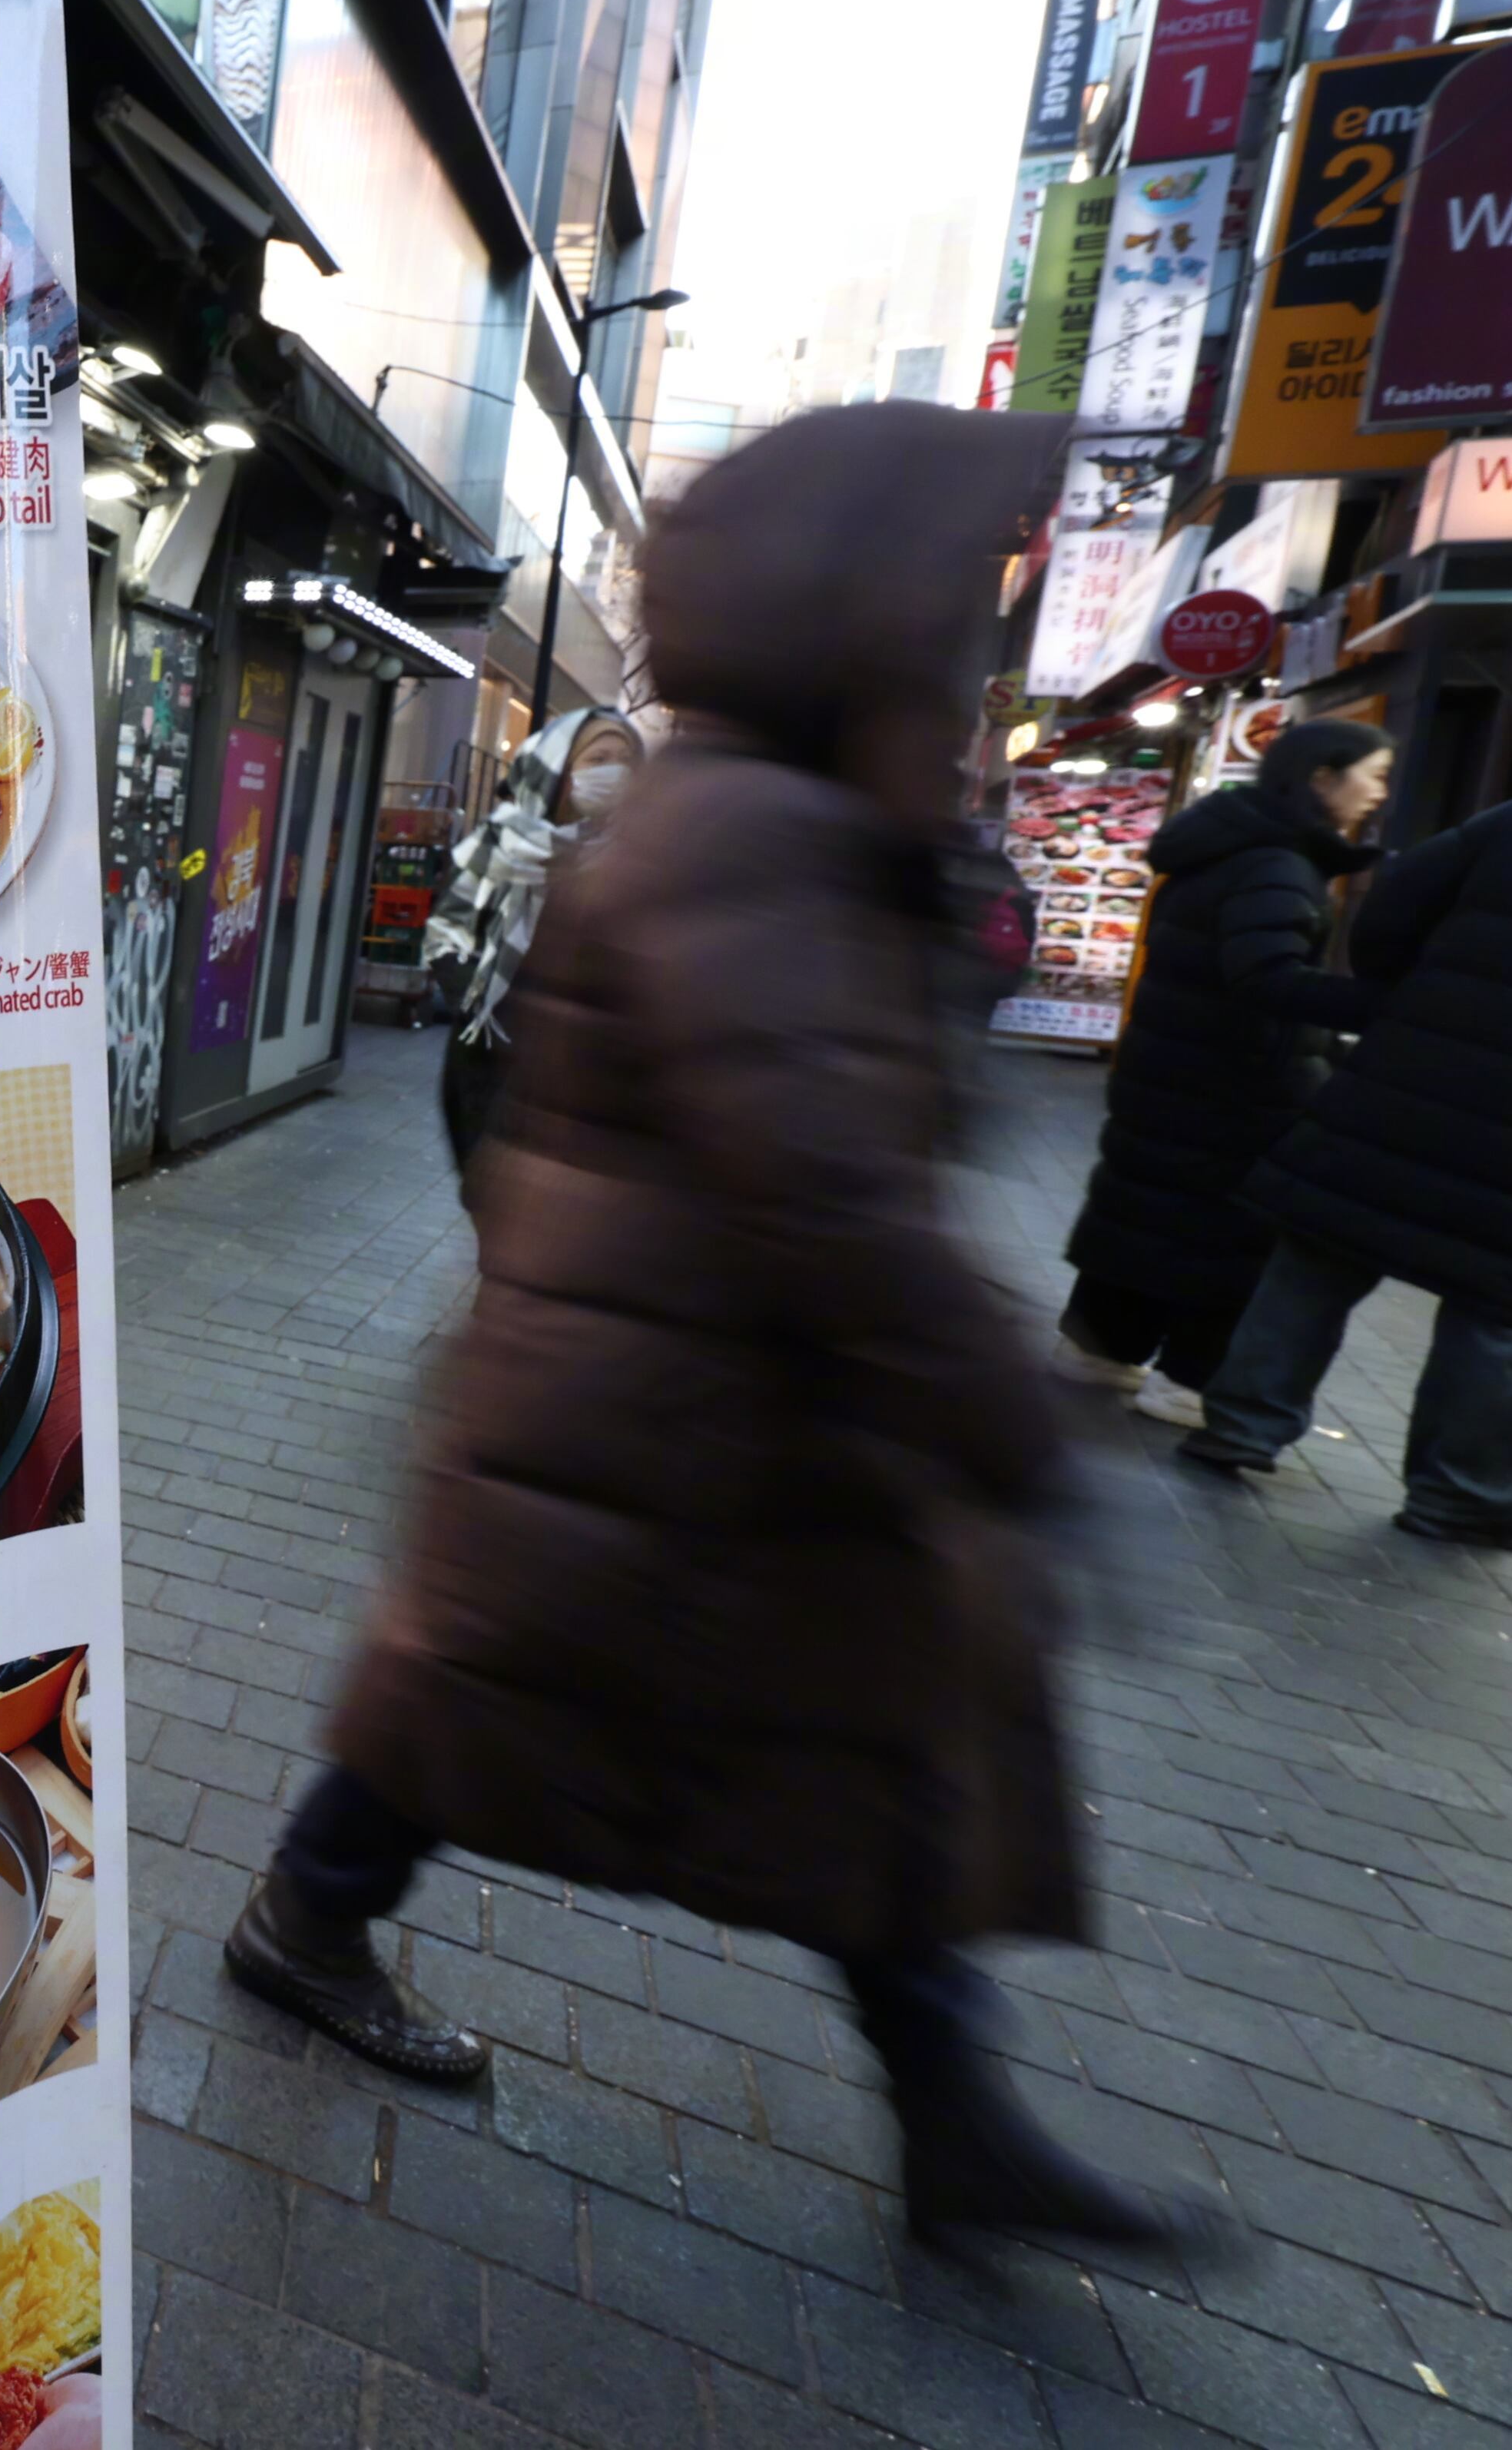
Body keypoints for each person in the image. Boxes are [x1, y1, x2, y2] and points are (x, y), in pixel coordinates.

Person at [222, 404, 1209, 2249]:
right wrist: (1031, 1444)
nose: (970, 667)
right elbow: (834, 1194)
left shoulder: (755, 813)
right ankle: (310, 1911)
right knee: (562, 1699)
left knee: (798, 1732)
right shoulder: (751, 833)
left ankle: (951, 2110)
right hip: (671, 1406)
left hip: (685, 1397)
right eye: (948, 622)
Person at [1180, 793, 1512, 1547]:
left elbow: (1396, 899)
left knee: (1321, 1250)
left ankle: (1241, 1424)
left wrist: (1417, 989)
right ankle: (1459, 1493)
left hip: (1419, 1066)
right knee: (1504, 1305)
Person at [1056, 720, 1394, 1429]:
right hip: (1234, 1088)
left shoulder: (1228, 849)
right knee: (1232, 1233)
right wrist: (1379, 1005)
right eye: (1375, 773)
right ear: (1322, 777)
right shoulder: (1276, 863)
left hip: (1178, 1072)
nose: (1380, 792)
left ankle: (1100, 1349)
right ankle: (1189, 1379)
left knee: (1151, 1206)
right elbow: (1265, 976)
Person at [423, 705, 642, 1167]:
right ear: (558, 770)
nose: (614, 773)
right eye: (598, 759)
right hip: (493, 1077)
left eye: (625, 761)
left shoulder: (641, 863)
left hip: (592, 1096)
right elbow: (448, 942)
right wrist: (502, 1021)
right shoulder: (496, 848)